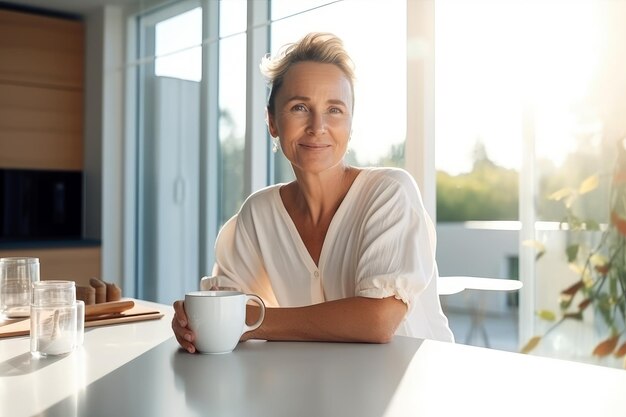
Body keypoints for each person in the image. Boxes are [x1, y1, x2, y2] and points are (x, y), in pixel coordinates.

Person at [172, 32, 454, 353]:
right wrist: (193, 322)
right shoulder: (259, 213)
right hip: (323, 392)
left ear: (350, 124)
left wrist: (247, 323)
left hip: (417, 392)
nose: (317, 126)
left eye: (334, 110)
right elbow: (220, 309)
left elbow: (377, 320)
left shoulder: (390, 192)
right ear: (272, 122)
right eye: (299, 107)